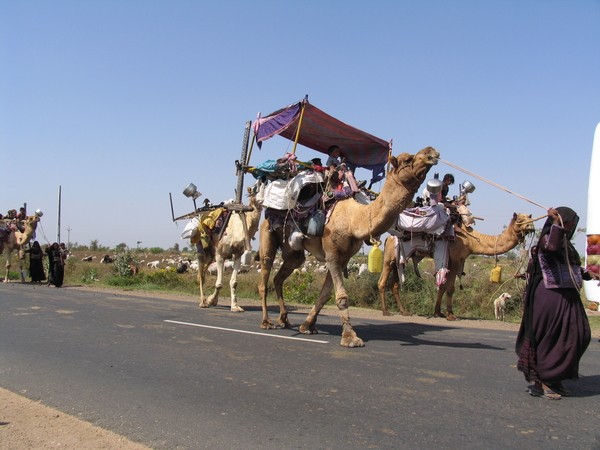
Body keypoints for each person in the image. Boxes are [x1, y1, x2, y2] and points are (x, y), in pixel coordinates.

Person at [515, 207, 600, 399]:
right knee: (553, 337)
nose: (572, 227)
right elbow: (551, 248)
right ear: (562, 222)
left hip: (567, 295)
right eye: (570, 223)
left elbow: (568, 266)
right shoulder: (548, 239)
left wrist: (586, 273)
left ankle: (555, 377)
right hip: (551, 295)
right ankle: (544, 381)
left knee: (579, 334)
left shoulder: (566, 243)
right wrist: (555, 222)